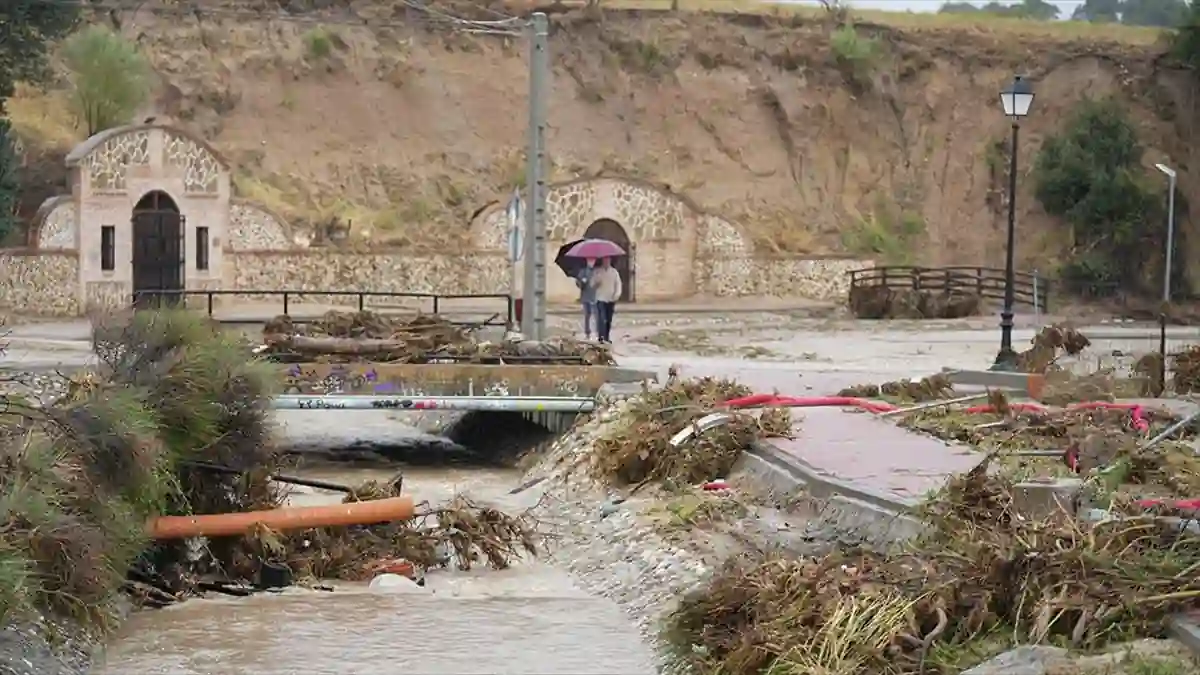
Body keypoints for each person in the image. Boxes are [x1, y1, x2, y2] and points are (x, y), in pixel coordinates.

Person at [593, 257, 622, 344]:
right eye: (605, 260)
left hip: (611, 299)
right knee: (602, 318)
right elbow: (592, 284)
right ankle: (601, 337)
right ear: (602, 261)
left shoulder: (614, 272)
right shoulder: (597, 271)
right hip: (600, 298)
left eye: (608, 260)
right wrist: (596, 283)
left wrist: (617, 295)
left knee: (608, 319)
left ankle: (606, 336)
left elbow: (618, 284)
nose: (606, 262)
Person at [575, 258, 598, 340]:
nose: (591, 262)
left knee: (597, 315)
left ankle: (598, 332)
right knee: (587, 315)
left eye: (593, 260)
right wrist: (582, 282)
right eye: (590, 260)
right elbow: (577, 282)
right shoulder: (583, 271)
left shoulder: (597, 271)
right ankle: (587, 332)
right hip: (586, 296)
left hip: (595, 296)